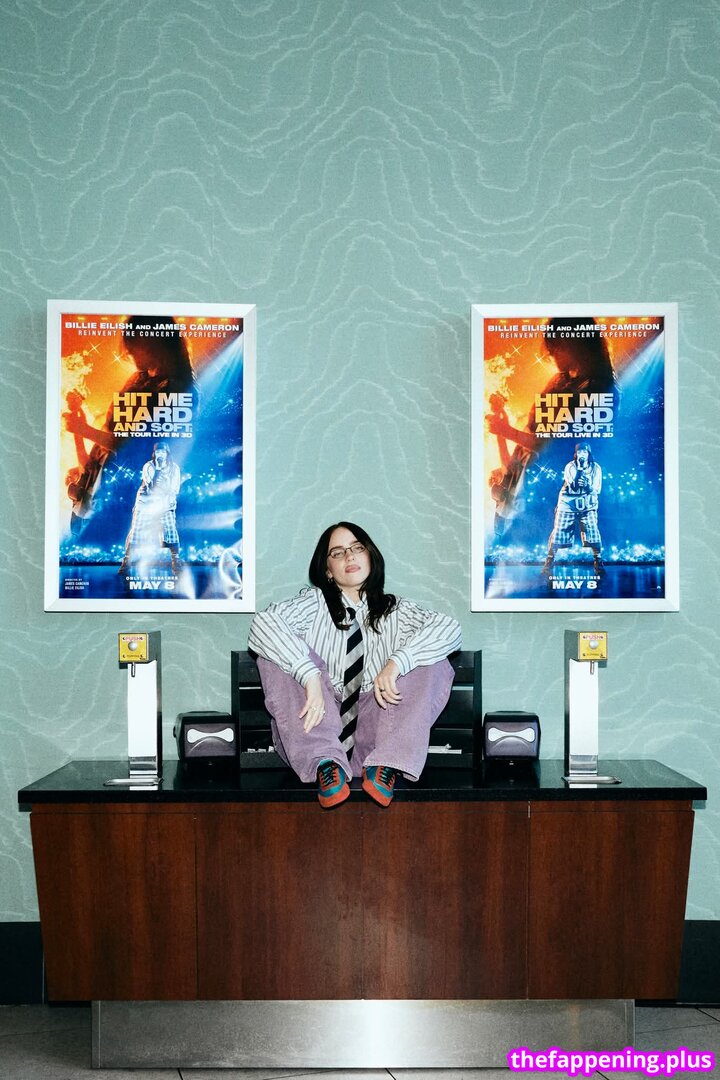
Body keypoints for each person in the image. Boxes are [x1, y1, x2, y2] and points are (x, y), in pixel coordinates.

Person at [248, 521, 461, 809]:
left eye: (357, 548)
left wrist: (396, 663)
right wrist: (309, 676)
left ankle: (388, 764)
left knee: (431, 659)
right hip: (312, 731)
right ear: (327, 570)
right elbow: (263, 624)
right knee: (275, 656)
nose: (349, 556)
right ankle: (327, 764)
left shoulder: (397, 611)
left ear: (370, 556)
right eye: (337, 552)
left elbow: (449, 628)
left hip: (377, 736)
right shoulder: (311, 605)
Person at [63, 315, 196, 534]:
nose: (129, 353)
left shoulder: (177, 389)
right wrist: (85, 459)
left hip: (124, 502)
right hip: (99, 491)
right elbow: (111, 435)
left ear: (154, 344)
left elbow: (136, 447)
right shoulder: (139, 379)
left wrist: (83, 430)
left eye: (134, 346)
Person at [486, 317, 617, 530]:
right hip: (524, 496)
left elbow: (558, 445)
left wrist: (507, 431)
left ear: (573, 345)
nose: (550, 354)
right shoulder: (559, 380)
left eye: (555, 347)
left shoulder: (598, 388)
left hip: (547, 502)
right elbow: (529, 442)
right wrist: (503, 434)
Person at [118, 442, 183, 576]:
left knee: (171, 530)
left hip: (165, 504)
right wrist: (158, 469)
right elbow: (152, 487)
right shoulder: (148, 466)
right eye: (158, 452)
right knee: (136, 532)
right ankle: (126, 562)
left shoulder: (174, 468)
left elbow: (174, 489)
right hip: (145, 503)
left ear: (167, 454)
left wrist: (168, 496)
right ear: (154, 454)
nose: (161, 454)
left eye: (163, 452)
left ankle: (176, 561)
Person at [543, 442, 604, 576]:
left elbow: (596, 489)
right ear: (576, 454)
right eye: (579, 452)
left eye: (585, 452)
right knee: (559, 531)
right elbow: (574, 486)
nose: (582, 454)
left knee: (592, 530)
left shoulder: (596, 468)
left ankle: (598, 560)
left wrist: (588, 486)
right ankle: (549, 560)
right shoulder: (570, 466)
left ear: (589, 454)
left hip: (587, 504)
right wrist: (580, 471)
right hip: (568, 503)